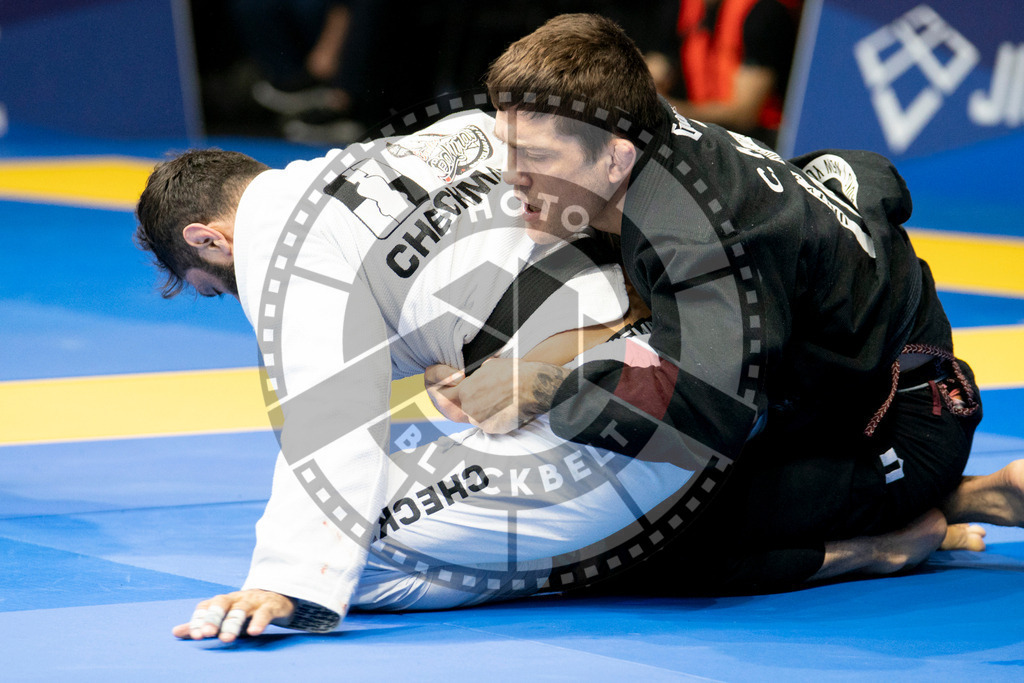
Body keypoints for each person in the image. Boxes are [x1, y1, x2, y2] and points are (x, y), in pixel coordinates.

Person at [437, 12, 1023, 596]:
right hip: (829, 382)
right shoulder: (642, 128)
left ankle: (879, 544)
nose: (511, 176)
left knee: (628, 538)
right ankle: (933, 499)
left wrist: (543, 386)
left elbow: (710, 419)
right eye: (507, 148)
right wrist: (481, 357)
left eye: (534, 157)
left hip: (898, 426)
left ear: (614, 158)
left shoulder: (695, 238)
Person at [645, 0, 801, 148]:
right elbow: (658, 64)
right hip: (704, 136)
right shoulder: (681, 7)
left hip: (759, 145)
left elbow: (744, 115)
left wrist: (667, 109)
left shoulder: (764, 12)